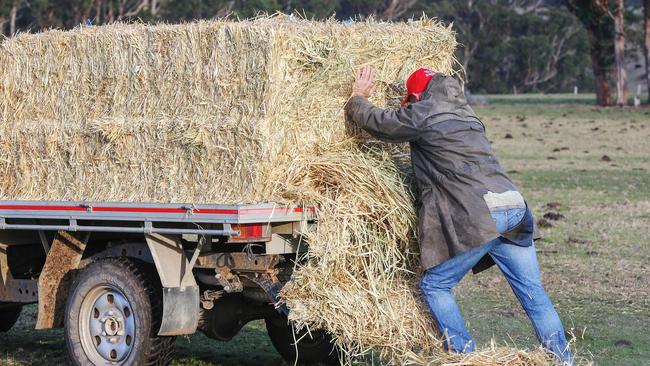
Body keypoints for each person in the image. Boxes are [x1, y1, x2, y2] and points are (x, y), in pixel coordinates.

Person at [345, 65, 573, 365]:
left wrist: (358, 99)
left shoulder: (424, 112)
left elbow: (381, 123)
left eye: (410, 100)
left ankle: (464, 356)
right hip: (513, 205)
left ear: (416, 95)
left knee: (434, 284)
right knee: (534, 294)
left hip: (480, 212)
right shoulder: (469, 115)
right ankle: (563, 360)